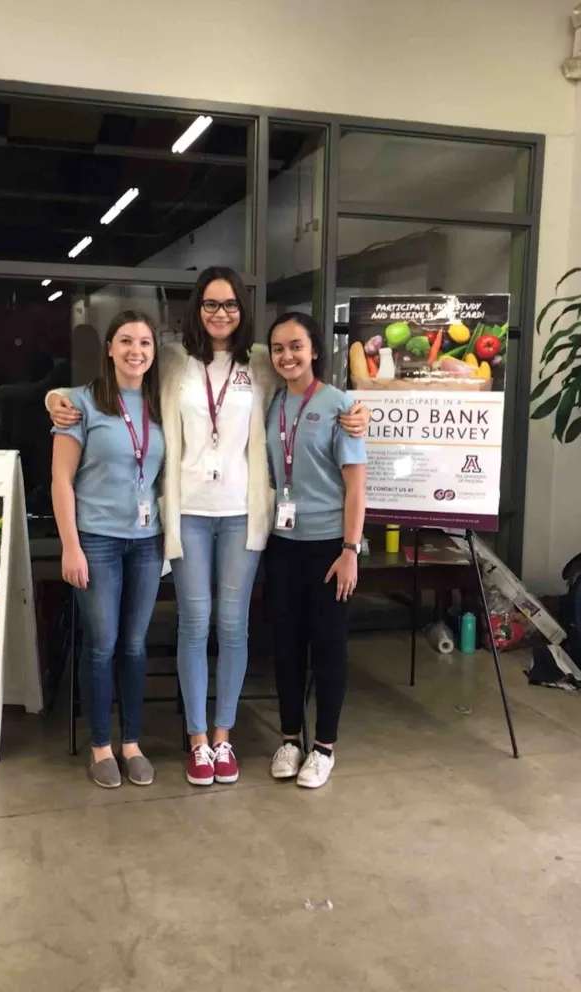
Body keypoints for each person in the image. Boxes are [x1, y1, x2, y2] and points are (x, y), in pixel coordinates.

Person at [47, 268, 370, 787]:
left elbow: (309, 386)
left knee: (234, 626)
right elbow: (108, 385)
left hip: (242, 513)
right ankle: (197, 741)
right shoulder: (172, 358)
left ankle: (224, 738)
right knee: (194, 625)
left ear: (242, 310)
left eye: (231, 305)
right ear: (197, 308)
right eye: (211, 304)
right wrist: (52, 400)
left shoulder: (262, 361)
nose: (221, 314)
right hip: (189, 513)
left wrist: (358, 412)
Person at [51, 310, 165, 789]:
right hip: (95, 541)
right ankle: (101, 746)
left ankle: (131, 742)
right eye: (125, 341)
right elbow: (60, 479)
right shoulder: (81, 403)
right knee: (102, 645)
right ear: (110, 349)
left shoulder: (160, 404)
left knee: (136, 645)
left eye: (144, 342)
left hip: (146, 542)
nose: (135, 350)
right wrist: (70, 546)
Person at [264, 311, 367, 789]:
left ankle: (323, 746)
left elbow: (355, 486)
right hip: (282, 544)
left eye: (296, 346)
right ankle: (290, 739)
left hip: (329, 546)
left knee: (327, 646)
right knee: (285, 645)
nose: (288, 356)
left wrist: (350, 549)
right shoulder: (272, 404)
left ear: (315, 350)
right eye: (279, 348)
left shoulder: (341, 405)